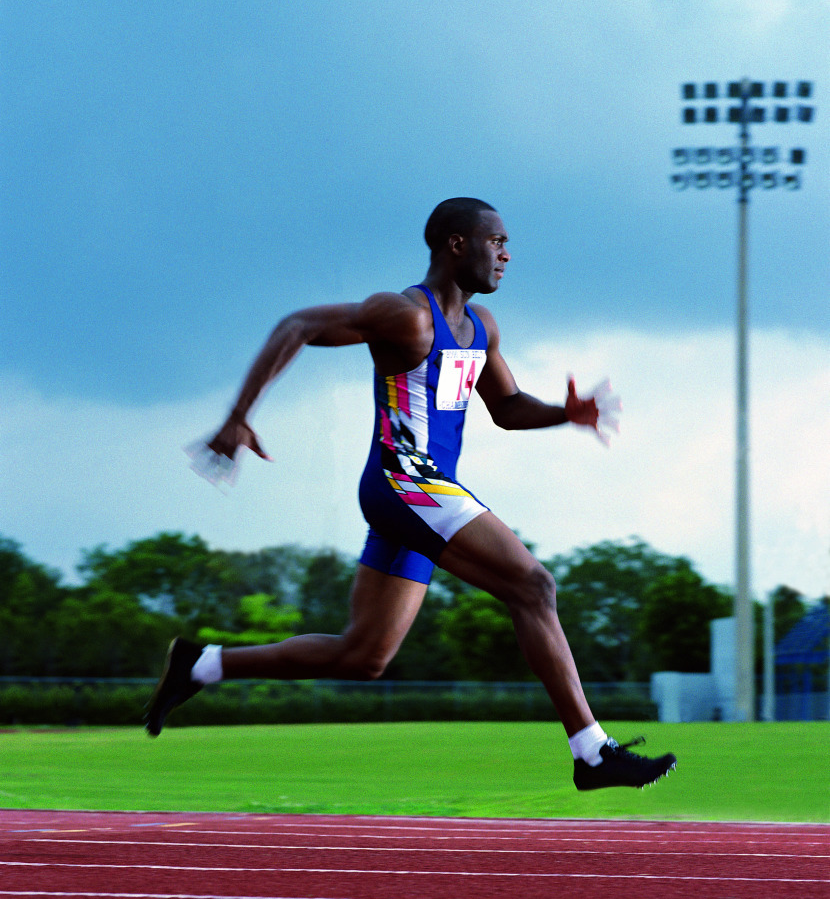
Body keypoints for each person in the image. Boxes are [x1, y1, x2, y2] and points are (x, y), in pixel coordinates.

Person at [146, 197, 676, 791]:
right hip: (404, 483)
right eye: (496, 241)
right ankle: (590, 750)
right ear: (456, 244)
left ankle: (203, 663)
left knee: (364, 656)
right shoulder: (405, 316)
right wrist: (238, 415)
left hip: (423, 499)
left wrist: (564, 413)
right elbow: (296, 326)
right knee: (534, 586)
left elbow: (505, 408)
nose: (506, 254)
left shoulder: (482, 330)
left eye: (508, 245)